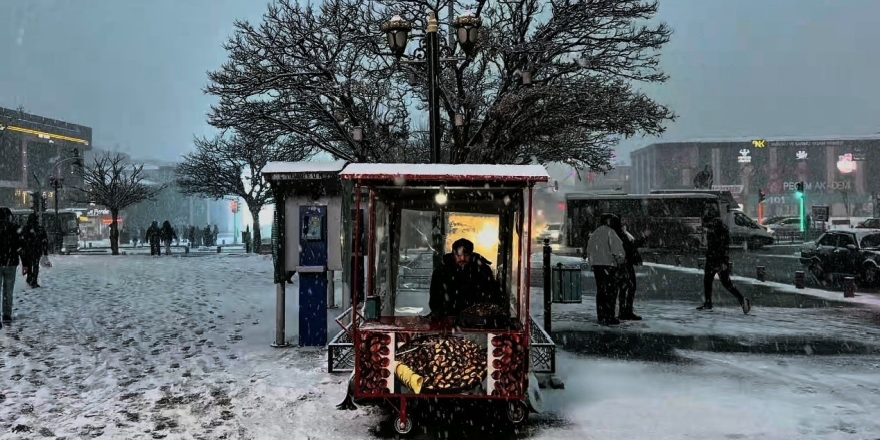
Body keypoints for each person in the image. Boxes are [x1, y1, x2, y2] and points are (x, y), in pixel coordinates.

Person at [428, 238, 504, 319]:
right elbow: (435, 299)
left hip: (477, 319)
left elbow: (490, 296)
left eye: (466, 255)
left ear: (471, 254)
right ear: (453, 255)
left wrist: (479, 313)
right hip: (447, 317)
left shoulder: (483, 270)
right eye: (459, 255)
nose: (463, 258)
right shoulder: (441, 271)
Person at [699, 210, 751, 314]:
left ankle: (742, 299)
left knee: (722, 282)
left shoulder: (718, 230)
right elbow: (719, 246)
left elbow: (722, 247)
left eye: (706, 223)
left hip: (716, 259)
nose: (705, 225)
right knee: (713, 281)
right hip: (714, 258)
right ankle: (709, 303)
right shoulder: (717, 228)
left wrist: (723, 261)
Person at [586, 213, 626, 325]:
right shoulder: (610, 232)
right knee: (611, 292)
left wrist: (592, 263)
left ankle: (601, 315)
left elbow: (589, 250)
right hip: (609, 265)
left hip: (597, 266)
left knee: (601, 291)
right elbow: (617, 250)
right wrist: (620, 260)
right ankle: (609, 316)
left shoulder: (595, 233)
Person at [612, 217, 648, 321]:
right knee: (627, 287)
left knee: (627, 287)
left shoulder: (622, 233)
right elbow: (631, 246)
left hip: (625, 263)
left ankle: (625, 310)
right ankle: (625, 311)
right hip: (625, 264)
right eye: (623, 220)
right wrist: (644, 238)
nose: (627, 221)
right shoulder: (621, 233)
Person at [0, 207, 22, 326]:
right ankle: (6, 314)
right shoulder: (14, 228)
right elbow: (20, 247)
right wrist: (26, 263)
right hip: (11, 263)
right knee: (8, 290)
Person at [20, 213, 49, 288]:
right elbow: (45, 241)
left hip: (28, 250)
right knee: (35, 265)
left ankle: (30, 278)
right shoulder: (40, 228)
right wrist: (45, 252)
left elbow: (22, 241)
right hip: (36, 250)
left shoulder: (25, 228)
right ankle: (34, 280)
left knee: (29, 265)